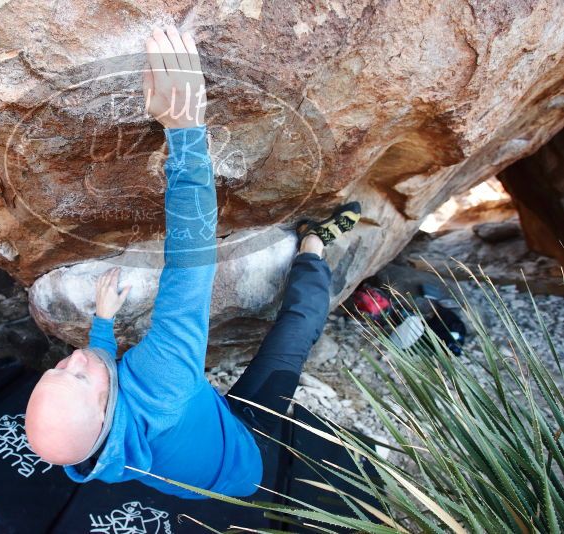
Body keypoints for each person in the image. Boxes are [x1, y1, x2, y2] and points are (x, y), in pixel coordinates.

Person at [24, 25, 361, 499]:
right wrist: (185, 130)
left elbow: (98, 381)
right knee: (297, 331)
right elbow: (190, 262)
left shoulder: (96, 450)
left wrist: (102, 324)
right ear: (106, 407)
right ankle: (314, 244)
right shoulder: (164, 382)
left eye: (56, 370)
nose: (72, 359)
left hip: (197, 468)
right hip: (247, 453)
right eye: (77, 376)